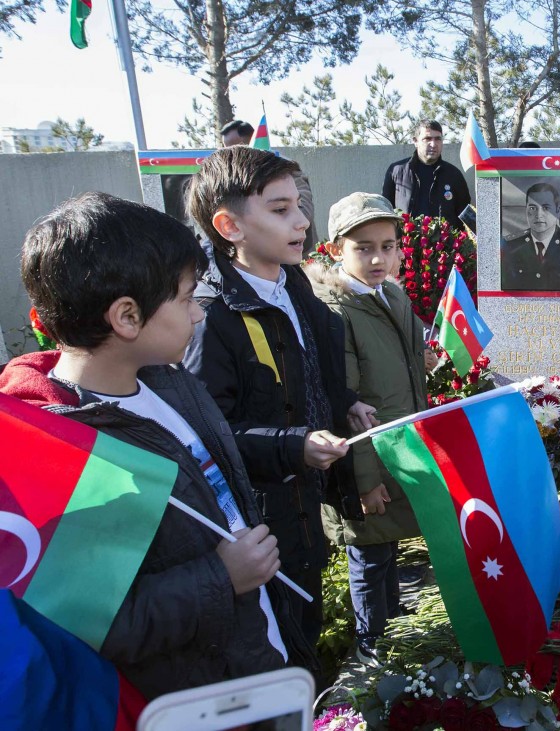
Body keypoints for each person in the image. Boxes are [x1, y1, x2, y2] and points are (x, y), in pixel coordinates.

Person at [0, 192, 316, 700]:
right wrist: (220, 577)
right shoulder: (64, 452)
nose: (197, 315)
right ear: (126, 317)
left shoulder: (172, 383)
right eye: (188, 297)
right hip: (196, 698)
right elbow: (98, 620)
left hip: (257, 653)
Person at [183, 146, 375, 647]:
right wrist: (294, 445)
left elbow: (312, 369)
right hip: (262, 524)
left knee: (306, 630)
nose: (302, 221)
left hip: (305, 504)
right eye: (280, 209)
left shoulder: (293, 283)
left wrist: (344, 402)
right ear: (230, 227)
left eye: (300, 205)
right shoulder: (211, 318)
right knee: (279, 640)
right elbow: (209, 436)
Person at [303, 192, 426, 666]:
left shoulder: (390, 294)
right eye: (363, 248)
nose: (379, 258)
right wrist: (365, 482)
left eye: (388, 246)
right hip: (366, 459)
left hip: (396, 446)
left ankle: (391, 616)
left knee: (386, 545)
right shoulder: (337, 312)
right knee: (369, 555)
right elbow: (347, 408)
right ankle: (372, 644)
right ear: (336, 250)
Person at [221, 118, 318, 254]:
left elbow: (304, 211)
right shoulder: (231, 177)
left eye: (235, 148)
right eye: (226, 149)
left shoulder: (286, 169)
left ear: (251, 140)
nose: (231, 155)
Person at [382, 119, 471, 230]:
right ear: (415, 141)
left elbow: (465, 216)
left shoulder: (454, 175)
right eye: (427, 139)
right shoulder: (396, 172)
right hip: (406, 245)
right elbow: (385, 212)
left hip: (445, 246)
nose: (433, 144)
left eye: (438, 139)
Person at [503, 182, 560, 290]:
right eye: (532, 208)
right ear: (526, 210)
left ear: (557, 211)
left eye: (546, 208)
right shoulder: (511, 246)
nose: (538, 215)